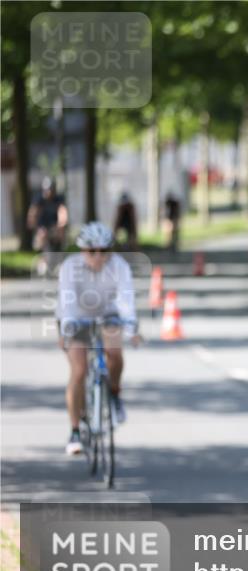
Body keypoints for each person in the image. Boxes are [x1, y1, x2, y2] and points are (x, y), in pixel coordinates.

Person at [57, 222, 140, 456]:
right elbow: (67, 302)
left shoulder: (119, 266)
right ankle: (75, 431)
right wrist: (66, 329)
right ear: (83, 250)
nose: (98, 256)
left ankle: (113, 393)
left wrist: (131, 327)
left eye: (104, 251)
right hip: (76, 316)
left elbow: (126, 299)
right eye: (92, 251)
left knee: (114, 354)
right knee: (79, 370)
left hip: (107, 314)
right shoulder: (69, 267)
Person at [26, 177, 69, 274]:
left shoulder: (58, 199)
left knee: (60, 233)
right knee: (42, 235)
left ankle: (60, 260)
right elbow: (33, 212)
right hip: (42, 227)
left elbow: (62, 211)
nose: (49, 192)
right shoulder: (39, 199)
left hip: (55, 226)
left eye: (51, 189)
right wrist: (32, 223)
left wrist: (62, 223)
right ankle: (43, 260)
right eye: (47, 190)